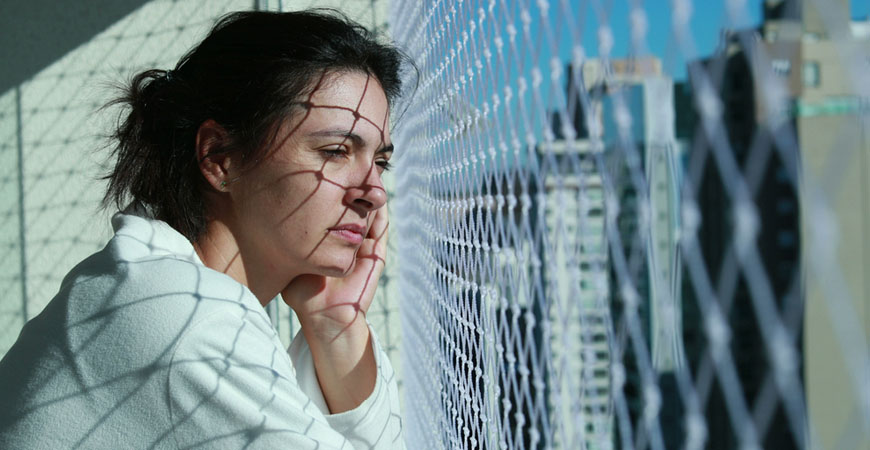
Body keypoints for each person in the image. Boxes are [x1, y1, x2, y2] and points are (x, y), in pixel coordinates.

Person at [0, 10, 405, 449]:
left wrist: (334, 323)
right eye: (335, 151)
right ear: (219, 157)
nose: (374, 192)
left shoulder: (153, 280)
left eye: (380, 162)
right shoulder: (185, 315)